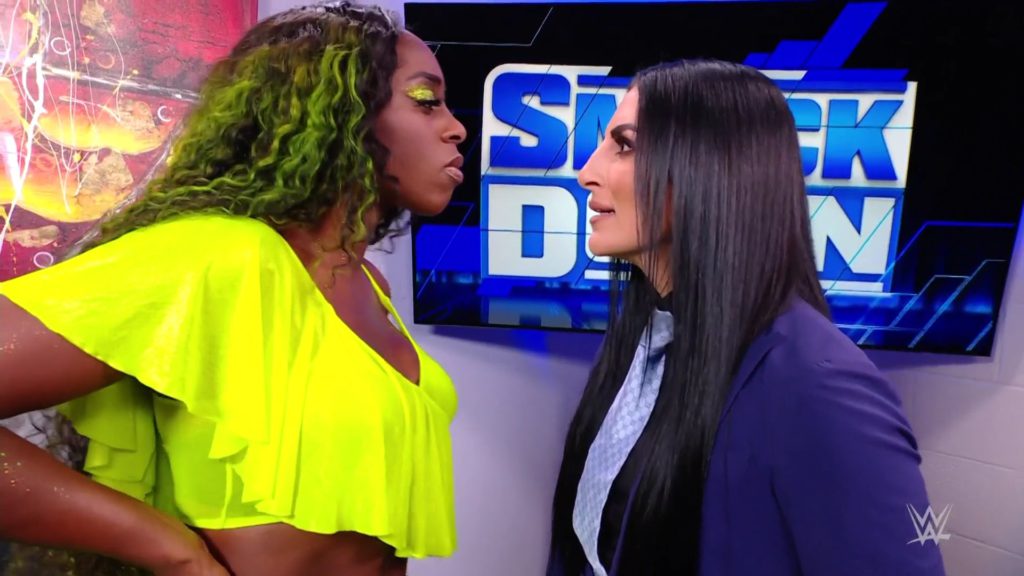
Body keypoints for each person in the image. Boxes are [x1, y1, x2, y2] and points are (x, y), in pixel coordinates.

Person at [0, 1, 466, 575]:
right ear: (339, 112)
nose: (456, 127)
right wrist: (175, 553)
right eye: (425, 100)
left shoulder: (371, 284)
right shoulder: (223, 256)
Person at [546, 59, 946, 576]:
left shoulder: (818, 385)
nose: (587, 172)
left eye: (624, 145)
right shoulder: (645, 340)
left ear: (710, 167)